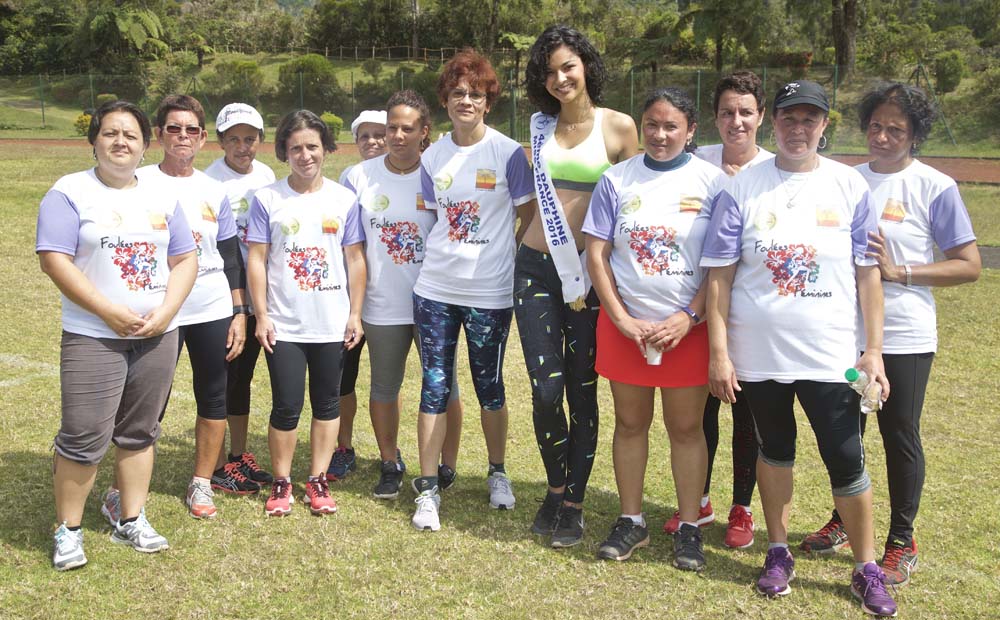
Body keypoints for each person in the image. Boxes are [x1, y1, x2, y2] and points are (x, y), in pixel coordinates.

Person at [701, 80, 897, 617]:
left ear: (825, 125)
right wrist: (720, 352)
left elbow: (869, 279)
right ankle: (779, 550)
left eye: (809, 119)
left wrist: (873, 352)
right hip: (758, 355)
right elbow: (718, 279)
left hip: (830, 355)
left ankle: (865, 566)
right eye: (789, 118)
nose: (798, 128)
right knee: (774, 449)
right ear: (773, 121)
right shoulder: (739, 188)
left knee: (845, 457)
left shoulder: (850, 187)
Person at [799, 82, 980, 587]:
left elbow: (969, 266)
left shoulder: (933, 186)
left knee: (898, 433)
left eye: (895, 129)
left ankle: (902, 539)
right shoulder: (844, 179)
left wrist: (899, 272)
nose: (882, 136)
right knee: (844, 435)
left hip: (903, 337)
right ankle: (845, 520)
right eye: (875, 126)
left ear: (915, 135)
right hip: (840, 335)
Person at [37, 100, 198, 569]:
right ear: (94, 141)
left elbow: (185, 258)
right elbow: (54, 259)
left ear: (146, 145)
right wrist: (109, 312)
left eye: (131, 135)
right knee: (85, 434)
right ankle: (68, 530)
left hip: (156, 334)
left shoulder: (162, 196)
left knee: (140, 432)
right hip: (94, 334)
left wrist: (166, 313)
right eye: (110, 133)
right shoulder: (69, 192)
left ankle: (130, 516)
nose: (121, 142)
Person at [583, 88, 723, 571]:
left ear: (690, 131)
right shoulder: (617, 179)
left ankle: (688, 527)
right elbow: (596, 253)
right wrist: (621, 318)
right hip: (628, 329)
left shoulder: (713, 181)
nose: (660, 135)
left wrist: (689, 317)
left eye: (671, 127)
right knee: (630, 423)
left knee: (686, 428)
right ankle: (631, 520)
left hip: (688, 330)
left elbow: (720, 265)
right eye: (652, 125)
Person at [519, 25, 639, 548]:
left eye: (568, 65)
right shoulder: (539, 129)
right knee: (546, 392)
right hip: (534, 270)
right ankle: (553, 485)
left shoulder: (619, 127)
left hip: (589, 279)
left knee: (581, 389)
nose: (560, 78)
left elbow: (636, 206)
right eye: (549, 71)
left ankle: (574, 502)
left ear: (586, 64)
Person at [410, 49, 536, 531]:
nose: (466, 100)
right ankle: (427, 490)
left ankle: (498, 473)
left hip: (490, 293)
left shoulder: (507, 153)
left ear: (488, 102)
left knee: (490, 387)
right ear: (445, 100)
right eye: (458, 93)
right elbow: (431, 220)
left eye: (476, 94)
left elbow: (527, 217)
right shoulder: (433, 155)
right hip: (435, 290)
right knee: (434, 385)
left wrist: (506, 263)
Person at [663, 70, 774, 548]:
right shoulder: (697, 163)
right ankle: (701, 500)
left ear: (761, 117)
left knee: (746, 415)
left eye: (746, 111)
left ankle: (742, 508)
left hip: (751, 314)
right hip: (700, 310)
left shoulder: (775, 168)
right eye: (727, 112)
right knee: (700, 410)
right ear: (712, 119)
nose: (736, 121)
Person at [341, 90, 463, 499]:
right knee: (384, 388)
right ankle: (390, 462)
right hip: (382, 304)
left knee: (445, 387)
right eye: (391, 127)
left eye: (406, 128)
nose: (396, 135)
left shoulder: (437, 172)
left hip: (436, 302)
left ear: (424, 132)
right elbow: (350, 246)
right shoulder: (358, 177)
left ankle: (447, 464)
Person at [136, 95, 253, 520]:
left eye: (191, 130)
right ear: (158, 134)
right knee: (149, 401)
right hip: (160, 309)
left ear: (203, 139)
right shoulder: (140, 181)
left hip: (210, 307)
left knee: (213, 396)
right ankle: (130, 483)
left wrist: (239, 312)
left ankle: (202, 482)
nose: (182, 136)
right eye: (173, 128)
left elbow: (231, 256)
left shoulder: (213, 190)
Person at [246, 110, 366, 517]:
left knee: (328, 403)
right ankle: (282, 481)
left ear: (326, 149)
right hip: (285, 324)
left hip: (332, 323)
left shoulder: (344, 199)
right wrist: (261, 315)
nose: (305, 155)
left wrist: (355, 314)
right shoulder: (267, 199)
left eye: (312, 146)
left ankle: (316, 478)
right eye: (295, 147)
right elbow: (257, 260)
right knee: (286, 406)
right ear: (284, 152)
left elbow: (355, 260)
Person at [204, 102, 276, 489]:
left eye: (250, 139)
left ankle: (237, 455)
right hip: (225, 295)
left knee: (243, 376)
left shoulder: (265, 175)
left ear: (260, 141)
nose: (242, 146)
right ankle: (216, 467)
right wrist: (235, 304)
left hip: (257, 293)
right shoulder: (210, 182)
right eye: (233, 139)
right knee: (223, 377)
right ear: (220, 142)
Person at [327, 108, 389, 481]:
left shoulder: (415, 173)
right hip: (350, 298)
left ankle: (390, 451)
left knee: (387, 380)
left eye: (379, 134)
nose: (373, 142)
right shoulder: (351, 178)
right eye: (364, 135)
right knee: (342, 379)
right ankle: (343, 446)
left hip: (392, 301)